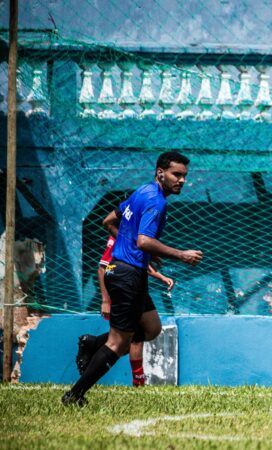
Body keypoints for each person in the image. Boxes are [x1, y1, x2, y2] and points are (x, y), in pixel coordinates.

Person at [62, 151, 203, 406]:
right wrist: (180, 254)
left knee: (151, 328)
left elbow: (109, 221)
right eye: (176, 174)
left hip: (128, 272)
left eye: (184, 176)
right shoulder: (156, 202)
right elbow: (144, 240)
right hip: (126, 275)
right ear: (160, 173)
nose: (181, 180)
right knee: (118, 344)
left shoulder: (143, 191)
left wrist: (140, 250)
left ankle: (92, 342)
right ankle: (74, 395)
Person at [97, 233, 174, 386]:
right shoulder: (118, 235)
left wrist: (160, 277)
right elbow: (102, 268)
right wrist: (105, 300)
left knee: (151, 329)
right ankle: (138, 380)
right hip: (125, 287)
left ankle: (93, 343)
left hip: (138, 286)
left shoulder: (137, 233)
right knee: (135, 336)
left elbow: (140, 262)